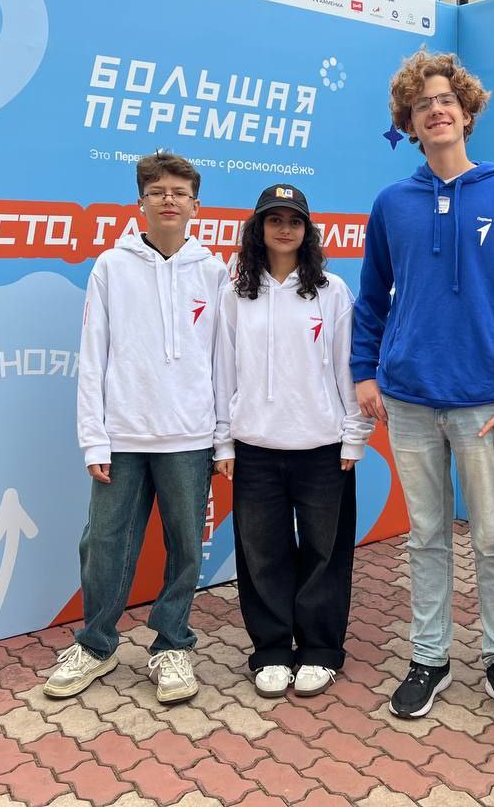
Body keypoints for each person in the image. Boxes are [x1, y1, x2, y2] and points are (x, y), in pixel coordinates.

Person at [351, 49, 494, 728]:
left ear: (467, 113)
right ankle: (429, 657)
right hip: (410, 401)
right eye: (422, 105)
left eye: (445, 100)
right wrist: (364, 371)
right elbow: (371, 299)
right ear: (409, 124)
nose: (435, 110)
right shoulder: (392, 204)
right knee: (427, 536)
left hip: (486, 406)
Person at [47, 152, 231, 704]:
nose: (168, 200)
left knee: (186, 547)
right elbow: (92, 356)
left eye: (179, 192)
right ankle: (97, 644)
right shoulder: (111, 266)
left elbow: (223, 362)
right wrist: (93, 438)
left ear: (196, 205)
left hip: (190, 437)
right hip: (123, 436)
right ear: (141, 203)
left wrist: (223, 438)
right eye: (157, 192)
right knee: (104, 542)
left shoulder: (214, 272)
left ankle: (172, 644)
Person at [213, 183, 373, 701]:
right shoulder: (236, 291)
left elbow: (348, 367)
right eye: (274, 219)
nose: (284, 229)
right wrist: (224, 442)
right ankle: (272, 649)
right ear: (258, 228)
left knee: (326, 553)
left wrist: (353, 437)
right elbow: (223, 369)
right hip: (255, 447)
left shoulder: (331, 290)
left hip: (322, 447)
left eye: (294, 220)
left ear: (307, 230)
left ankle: (321, 650)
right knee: (262, 554)